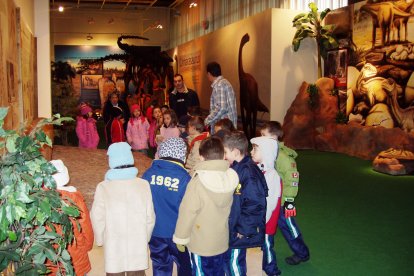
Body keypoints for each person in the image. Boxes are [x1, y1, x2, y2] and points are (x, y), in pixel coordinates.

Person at [173, 137, 239, 275]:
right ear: (223, 155)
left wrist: (181, 237)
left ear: (201, 157)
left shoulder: (197, 182)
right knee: (218, 271)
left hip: (200, 243)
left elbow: (187, 212)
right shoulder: (230, 177)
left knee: (200, 271)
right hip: (221, 240)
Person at [91, 142, 155, 276]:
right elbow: (150, 217)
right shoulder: (143, 185)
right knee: (137, 272)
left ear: (112, 160)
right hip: (137, 242)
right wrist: (146, 236)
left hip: (114, 243)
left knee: (115, 271)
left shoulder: (104, 187)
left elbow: (97, 216)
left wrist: (100, 238)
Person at [261, 121, 310, 266]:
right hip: (270, 200)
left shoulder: (282, 157)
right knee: (266, 227)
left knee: (290, 228)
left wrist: (289, 201)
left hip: (282, 202)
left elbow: (292, 178)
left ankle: (302, 253)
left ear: (275, 137)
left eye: (264, 135)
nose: (261, 138)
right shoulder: (266, 153)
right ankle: (266, 252)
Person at [142, 137, 192, 276]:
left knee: (160, 264)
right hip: (178, 234)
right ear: (182, 155)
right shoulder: (184, 178)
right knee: (185, 265)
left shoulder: (148, 174)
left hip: (155, 232)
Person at [221, 131, 267, 276]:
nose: (224, 156)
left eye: (225, 152)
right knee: (228, 259)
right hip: (233, 225)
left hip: (239, 229)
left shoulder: (249, 173)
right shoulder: (236, 167)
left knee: (234, 262)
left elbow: (255, 204)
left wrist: (243, 229)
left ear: (235, 152)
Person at [48, 160, 94, 276]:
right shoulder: (74, 198)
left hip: (50, 256)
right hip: (75, 253)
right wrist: (87, 245)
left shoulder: (39, 200)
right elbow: (85, 225)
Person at [250, 136, 282, 276]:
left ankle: (271, 270)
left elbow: (269, 203)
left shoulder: (272, 176)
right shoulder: (259, 170)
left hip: (265, 222)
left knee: (267, 245)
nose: (251, 152)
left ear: (266, 153)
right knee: (260, 245)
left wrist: (260, 221)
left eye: (255, 149)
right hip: (258, 219)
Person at [204, 62, 237, 133]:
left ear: (209, 74)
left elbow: (221, 108)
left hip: (223, 128)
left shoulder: (219, 85)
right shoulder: (225, 82)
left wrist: (207, 120)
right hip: (228, 127)